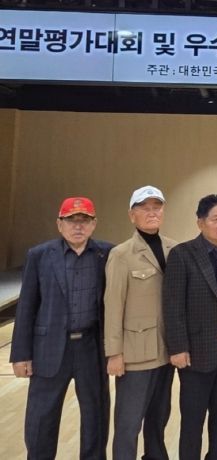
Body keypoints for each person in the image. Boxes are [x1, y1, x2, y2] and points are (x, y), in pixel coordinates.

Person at [10, 196, 113, 459]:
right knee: (42, 416)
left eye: (84, 220)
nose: (78, 226)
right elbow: (27, 306)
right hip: (49, 348)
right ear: (59, 224)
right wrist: (21, 355)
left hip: (91, 347)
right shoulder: (39, 255)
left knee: (96, 415)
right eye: (71, 220)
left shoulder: (107, 254)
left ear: (94, 224)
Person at [162, 194, 217, 460]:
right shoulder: (182, 254)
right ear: (200, 223)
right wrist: (177, 348)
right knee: (193, 421)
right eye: (216, 219)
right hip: (194, 353)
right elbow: (173, 306)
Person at [104, 185, 177, 460]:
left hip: (166, 351)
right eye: (144, 208)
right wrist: (114, 353)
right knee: (128, 423)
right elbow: (113, 305)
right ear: (132, 215)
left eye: (156, 207)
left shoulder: (174, 249)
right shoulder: (121, 254)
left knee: (159, 420)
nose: (152, 212)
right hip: (135, 355)